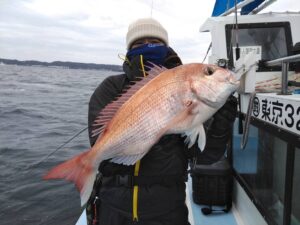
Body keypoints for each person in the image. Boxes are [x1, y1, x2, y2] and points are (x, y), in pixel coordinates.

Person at [86, 17, 237, 225]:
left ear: (166, 47)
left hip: (167, 210)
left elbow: (204, 156)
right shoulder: (111, 87)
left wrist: (220, 126)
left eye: (155, 42)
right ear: (129, 49)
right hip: (114, 209)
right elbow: (98, 140)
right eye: (139, 43)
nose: (147, 45)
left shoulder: (188, 91)